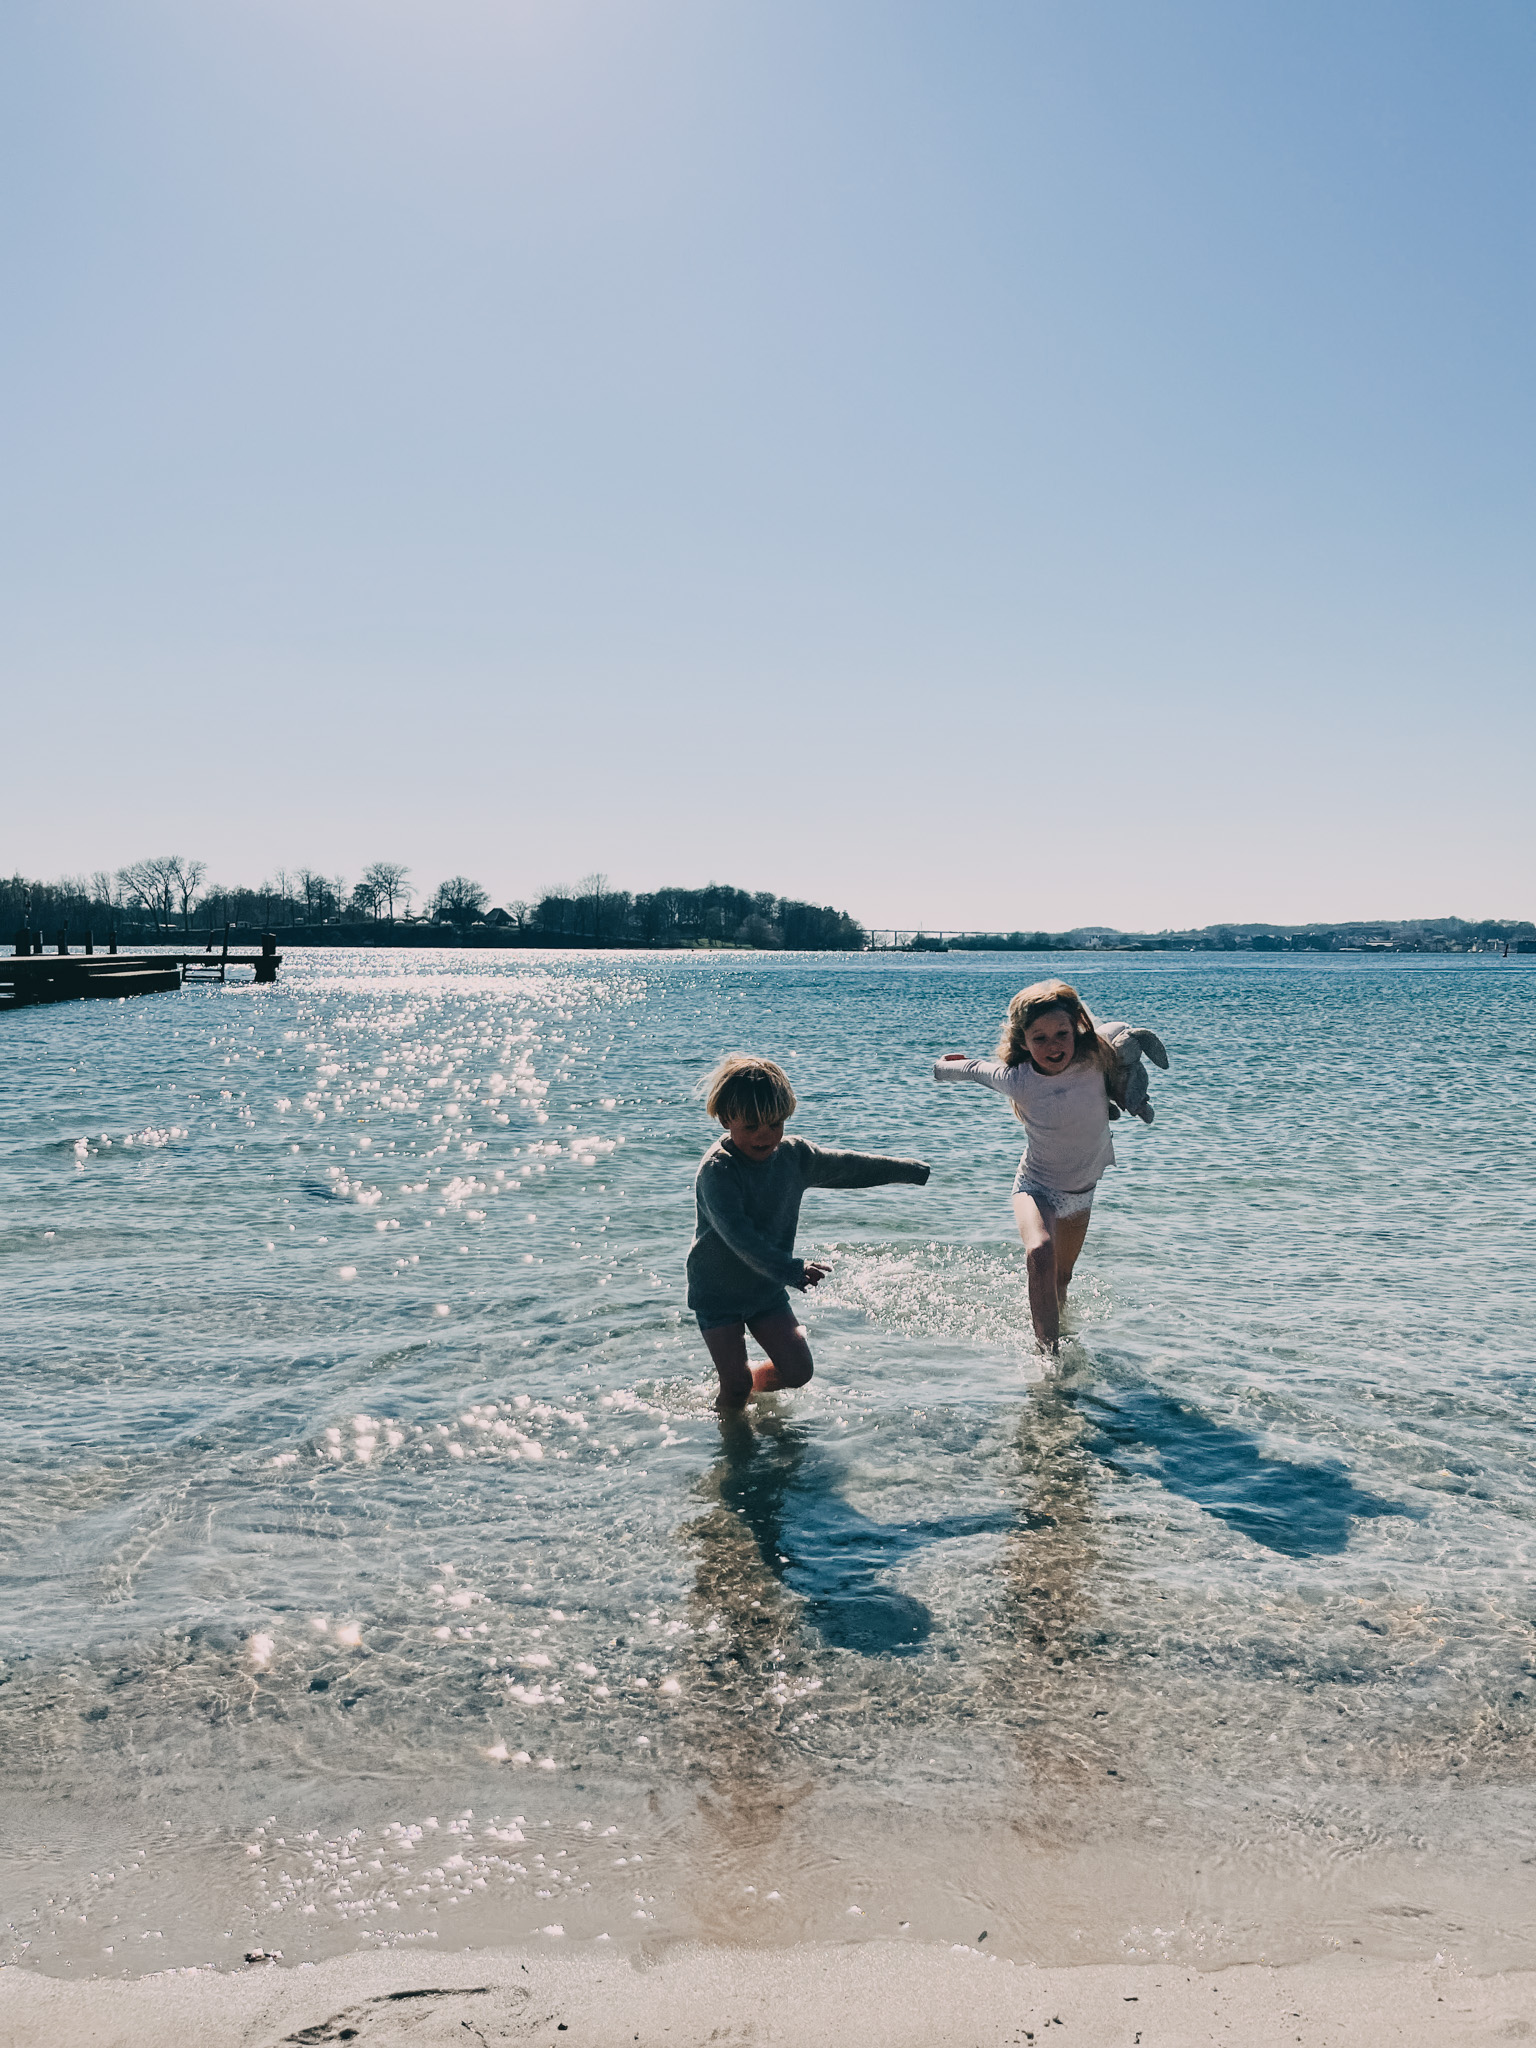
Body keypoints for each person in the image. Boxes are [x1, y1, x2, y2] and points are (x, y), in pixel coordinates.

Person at [688, 1054, 931, 1411]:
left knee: (798, 1371)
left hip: (764, 1290)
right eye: (752, 1126)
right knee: (735, 1387)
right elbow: (739, 1238)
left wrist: (908, 1171)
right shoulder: (718, 1171)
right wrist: (790, 1269)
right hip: (717, 1293)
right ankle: (732, 1447)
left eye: (775, 1124)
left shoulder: (793, 1157)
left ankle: (745, 1383)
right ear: (726, 1119)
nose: (765, 1136)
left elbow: (848, 1168)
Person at [934, 980, 1125, 1353]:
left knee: (1063, 1278)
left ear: (1077, 1030)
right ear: (1022, 1041)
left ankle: (1063, 1337)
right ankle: (1047, 1358)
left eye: (1061, 1034)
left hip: (1082, 1192)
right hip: (1035, 1186)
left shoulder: (1094, 1059)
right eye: (1039, 1038)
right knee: (1040, 1252)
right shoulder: (1018, 1080)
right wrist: (942, 1066)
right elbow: (974, 1069)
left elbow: (1124, 1042)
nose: (1053, 1046)